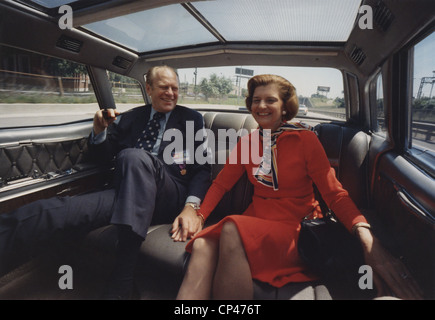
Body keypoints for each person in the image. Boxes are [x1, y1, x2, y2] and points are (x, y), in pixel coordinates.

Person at [174, 74, 423, 300]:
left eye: (270, 100)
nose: (261, 106)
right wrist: (200, 214)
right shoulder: (248, 142)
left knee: (230, 228)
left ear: (285, 107)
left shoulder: (305, 139)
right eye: (256, 100)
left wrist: (366, 236)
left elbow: (334, 195)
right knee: (201, 245)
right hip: (255, 223)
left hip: (294, 230)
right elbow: (220, 184)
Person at [0, 65, 211, 299]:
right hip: (124, 193)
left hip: (168, 194)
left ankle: (122, 279)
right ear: (149, 89)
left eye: (175, 88)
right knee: (51, 211)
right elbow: (103, 160)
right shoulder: (131, 117)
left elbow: (202, 170)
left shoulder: (191, 119)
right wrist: (99, 131)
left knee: (133, 156)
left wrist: (191, 207)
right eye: (164, 87)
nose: (170, 93)